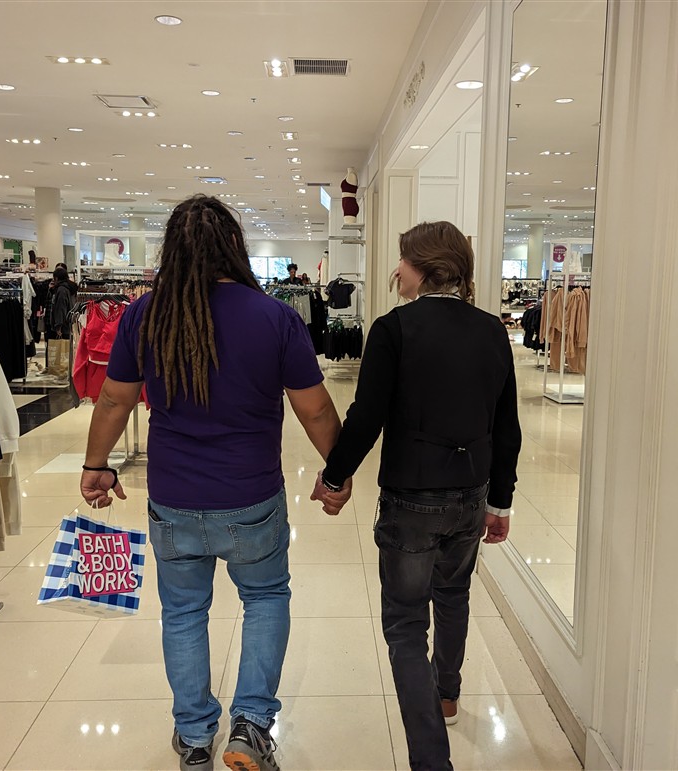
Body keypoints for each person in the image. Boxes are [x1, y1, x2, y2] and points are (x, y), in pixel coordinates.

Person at [79, 194, 343, 771]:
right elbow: (317, 410)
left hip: (174, 499)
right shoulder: (274, 317)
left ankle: (195, 735)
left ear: (173, 249)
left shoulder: (145, 315)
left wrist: (96, 465)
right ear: (234, 246)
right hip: (251, 497)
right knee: (265, 598)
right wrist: (337, 473)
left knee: (183, 612)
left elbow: (114, 399)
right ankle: (250, 726)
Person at [311, 220, 523, 771]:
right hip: (471, 493)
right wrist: (500, 502)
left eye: (403, 260)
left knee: (406, 625)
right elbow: (507, 426)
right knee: (453, 595)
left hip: (411, 498)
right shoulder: (491, 331)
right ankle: (447, 694)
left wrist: (334, 477)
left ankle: (431, 760)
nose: (396, 271)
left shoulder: (394, 329)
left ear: (424, 267)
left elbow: (366, 417)